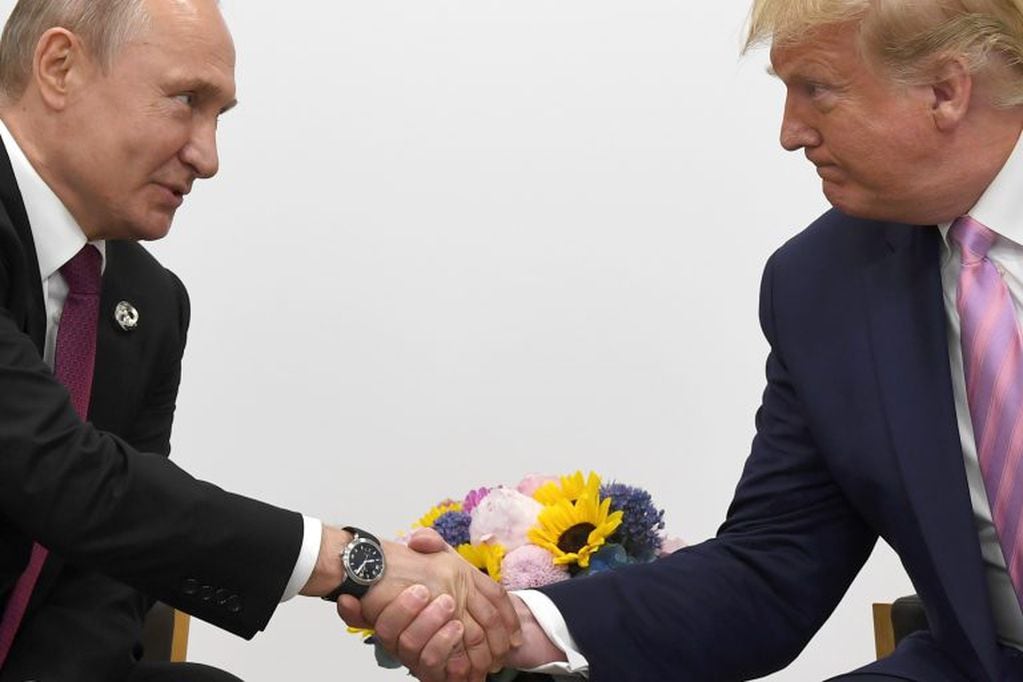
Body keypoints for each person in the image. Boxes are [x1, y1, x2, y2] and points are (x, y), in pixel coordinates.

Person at [343, 0, 1023, 679]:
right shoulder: (820, 285)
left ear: (944, 92)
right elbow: (772, 567)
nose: (789, 133)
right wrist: (517, 623)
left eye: (816, 90)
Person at [0, 1, 518, 680]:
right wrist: (351, 562)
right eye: (186, 100)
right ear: (59, 67)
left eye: (220, 116)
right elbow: (57, 472)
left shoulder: (149, 302)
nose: (207, 157)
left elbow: (109, 565)